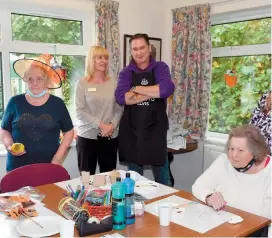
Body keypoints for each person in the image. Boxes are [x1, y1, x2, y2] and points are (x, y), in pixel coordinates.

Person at [115, 33, 175, 186]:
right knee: (134, 182)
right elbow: (122, 98)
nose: (138, 52)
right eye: (135, 49)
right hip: (132, 133)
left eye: (142, 48)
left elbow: (166, 89)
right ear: (131, 51)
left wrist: (136, 89)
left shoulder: (161, 67)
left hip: (156, 132)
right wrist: (153, 92)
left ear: (149, 48)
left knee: (163, 180)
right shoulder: (125, 73)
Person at [192, 125, 271, 237]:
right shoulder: (224, 161)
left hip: (255, 232)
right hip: (221, 226)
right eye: (231, 148)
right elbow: (198, 186)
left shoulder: (269, 171)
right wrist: (208, 196)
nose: (234, 155)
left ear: (255, 152)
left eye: (240, 150)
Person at [0, 54, 74, 172]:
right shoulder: (15, 102)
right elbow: (4, 129)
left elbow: (69, 132)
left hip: (49, 166)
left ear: (46, 80)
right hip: (17, 167)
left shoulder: (57, 104)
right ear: (25, 80)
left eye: (39, 78)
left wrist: (57, 159)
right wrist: (9, 146)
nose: (34, 83)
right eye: (30, 79)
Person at [75, 46, 123, 175]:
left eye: (106, 58)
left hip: (110, 138)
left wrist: (111, 127)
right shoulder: (82, 84)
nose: (104, 61)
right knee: (86, 180)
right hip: (87, 138)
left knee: (109, 180)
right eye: (99, 58)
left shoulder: (114, 83)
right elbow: (80, 112)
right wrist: (101, 125)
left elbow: (119, 109)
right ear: (92, 60)